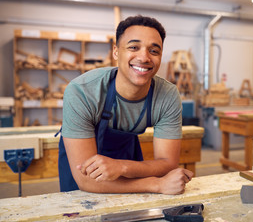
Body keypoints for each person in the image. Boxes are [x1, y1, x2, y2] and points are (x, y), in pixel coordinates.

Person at [58, 15, 193, 194]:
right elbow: (86, 180)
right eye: (134, 47)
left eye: (154, 51)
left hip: (126, 155)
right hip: (83, 162)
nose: (144, 57)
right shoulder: (82, 91)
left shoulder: (167, 95)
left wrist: (122, 167)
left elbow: (168, 163)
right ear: (116, 52)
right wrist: (157, 185)